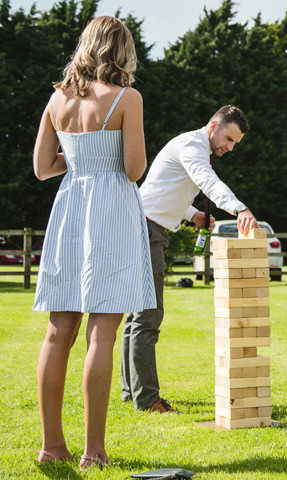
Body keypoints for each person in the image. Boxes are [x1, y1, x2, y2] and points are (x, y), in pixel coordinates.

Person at [32, 16, 154, 468]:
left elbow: (43, 167)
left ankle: (51, 447)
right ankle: (94, 451)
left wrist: (79, 155)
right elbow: (134, 168)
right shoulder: (128, 97)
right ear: (122, 50)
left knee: (57, 331)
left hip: (69, 209)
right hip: (112, 212)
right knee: (102, 333)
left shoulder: (57, 97)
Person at [120, 105, 258, 413]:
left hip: (144, 225)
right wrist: (240, 208)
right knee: (148, 315)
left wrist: (192, 214)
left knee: (137, 315)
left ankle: (131, 392)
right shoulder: (192, 146)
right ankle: (147, 400)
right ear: (213, 126)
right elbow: (206, 181)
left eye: (235, 143)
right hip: (145, 229)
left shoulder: (192, 146)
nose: (230, 147)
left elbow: (163, 189)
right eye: (229, 138)